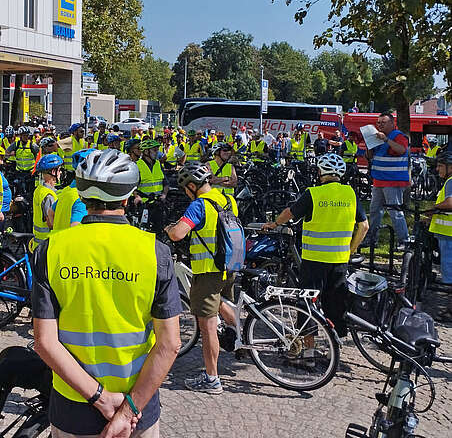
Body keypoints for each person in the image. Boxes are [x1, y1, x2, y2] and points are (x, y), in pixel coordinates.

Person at [32, 149, 181, 438]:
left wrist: (100, 397)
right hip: (137, 406)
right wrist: (128, 409)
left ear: (83, 195)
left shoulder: (50, 251)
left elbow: (44, 342)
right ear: (127, 197)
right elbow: (170, 345)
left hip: (74, 404)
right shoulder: (155, 253)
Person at [264, 153, 369, 338]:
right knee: (335, 304)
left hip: (314, 260)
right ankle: (334, 347)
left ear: (320, 172)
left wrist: (274, 224)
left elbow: (290, 213)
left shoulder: (313, 193)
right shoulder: (350, 194)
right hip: (339, 261)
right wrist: (350, 250)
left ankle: (309, 351)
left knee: (307, 304)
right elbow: (364, 226)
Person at [165, 162, 239, 394]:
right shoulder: (227, 199)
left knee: (207, 327)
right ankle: (241, 332)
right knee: (223, 305)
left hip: (207, 272)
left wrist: (169, 228)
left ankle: (212, 379)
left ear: (191, 186)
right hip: (228, 266)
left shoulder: (199, 205)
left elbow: (178, 234)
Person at [365, 112, 410, 248]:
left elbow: (402, 150)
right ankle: (372, 239)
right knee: (374, 211)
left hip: (393, 181)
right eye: (378, 123)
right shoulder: (378, 137)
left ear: (392, 123)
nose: (379, 125)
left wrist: (386, 140)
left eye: (383, 123)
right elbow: (370, 156)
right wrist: (369, 145)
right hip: (379, 180)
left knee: (395, 212)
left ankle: (404, 240)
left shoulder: (398, 136)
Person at [429, 152, 452, 322]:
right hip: (446, 235)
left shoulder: (451, 182)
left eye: (440, 166)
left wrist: (433, 209)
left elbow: (450, 203)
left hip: (448, 235)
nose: (437, 169)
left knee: (449, 274)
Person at [49, 149, 93, 231]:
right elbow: (75, 227)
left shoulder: (67, 190)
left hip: (57, 241)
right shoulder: (81, 198)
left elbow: (50, 213)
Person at [32, 154, 62, 248]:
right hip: (46, 243)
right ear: (53, 171)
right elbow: (50, 222)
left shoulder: (39, 189)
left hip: (39, 242)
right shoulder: (49, 196)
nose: (60, 173)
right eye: (59, 170)